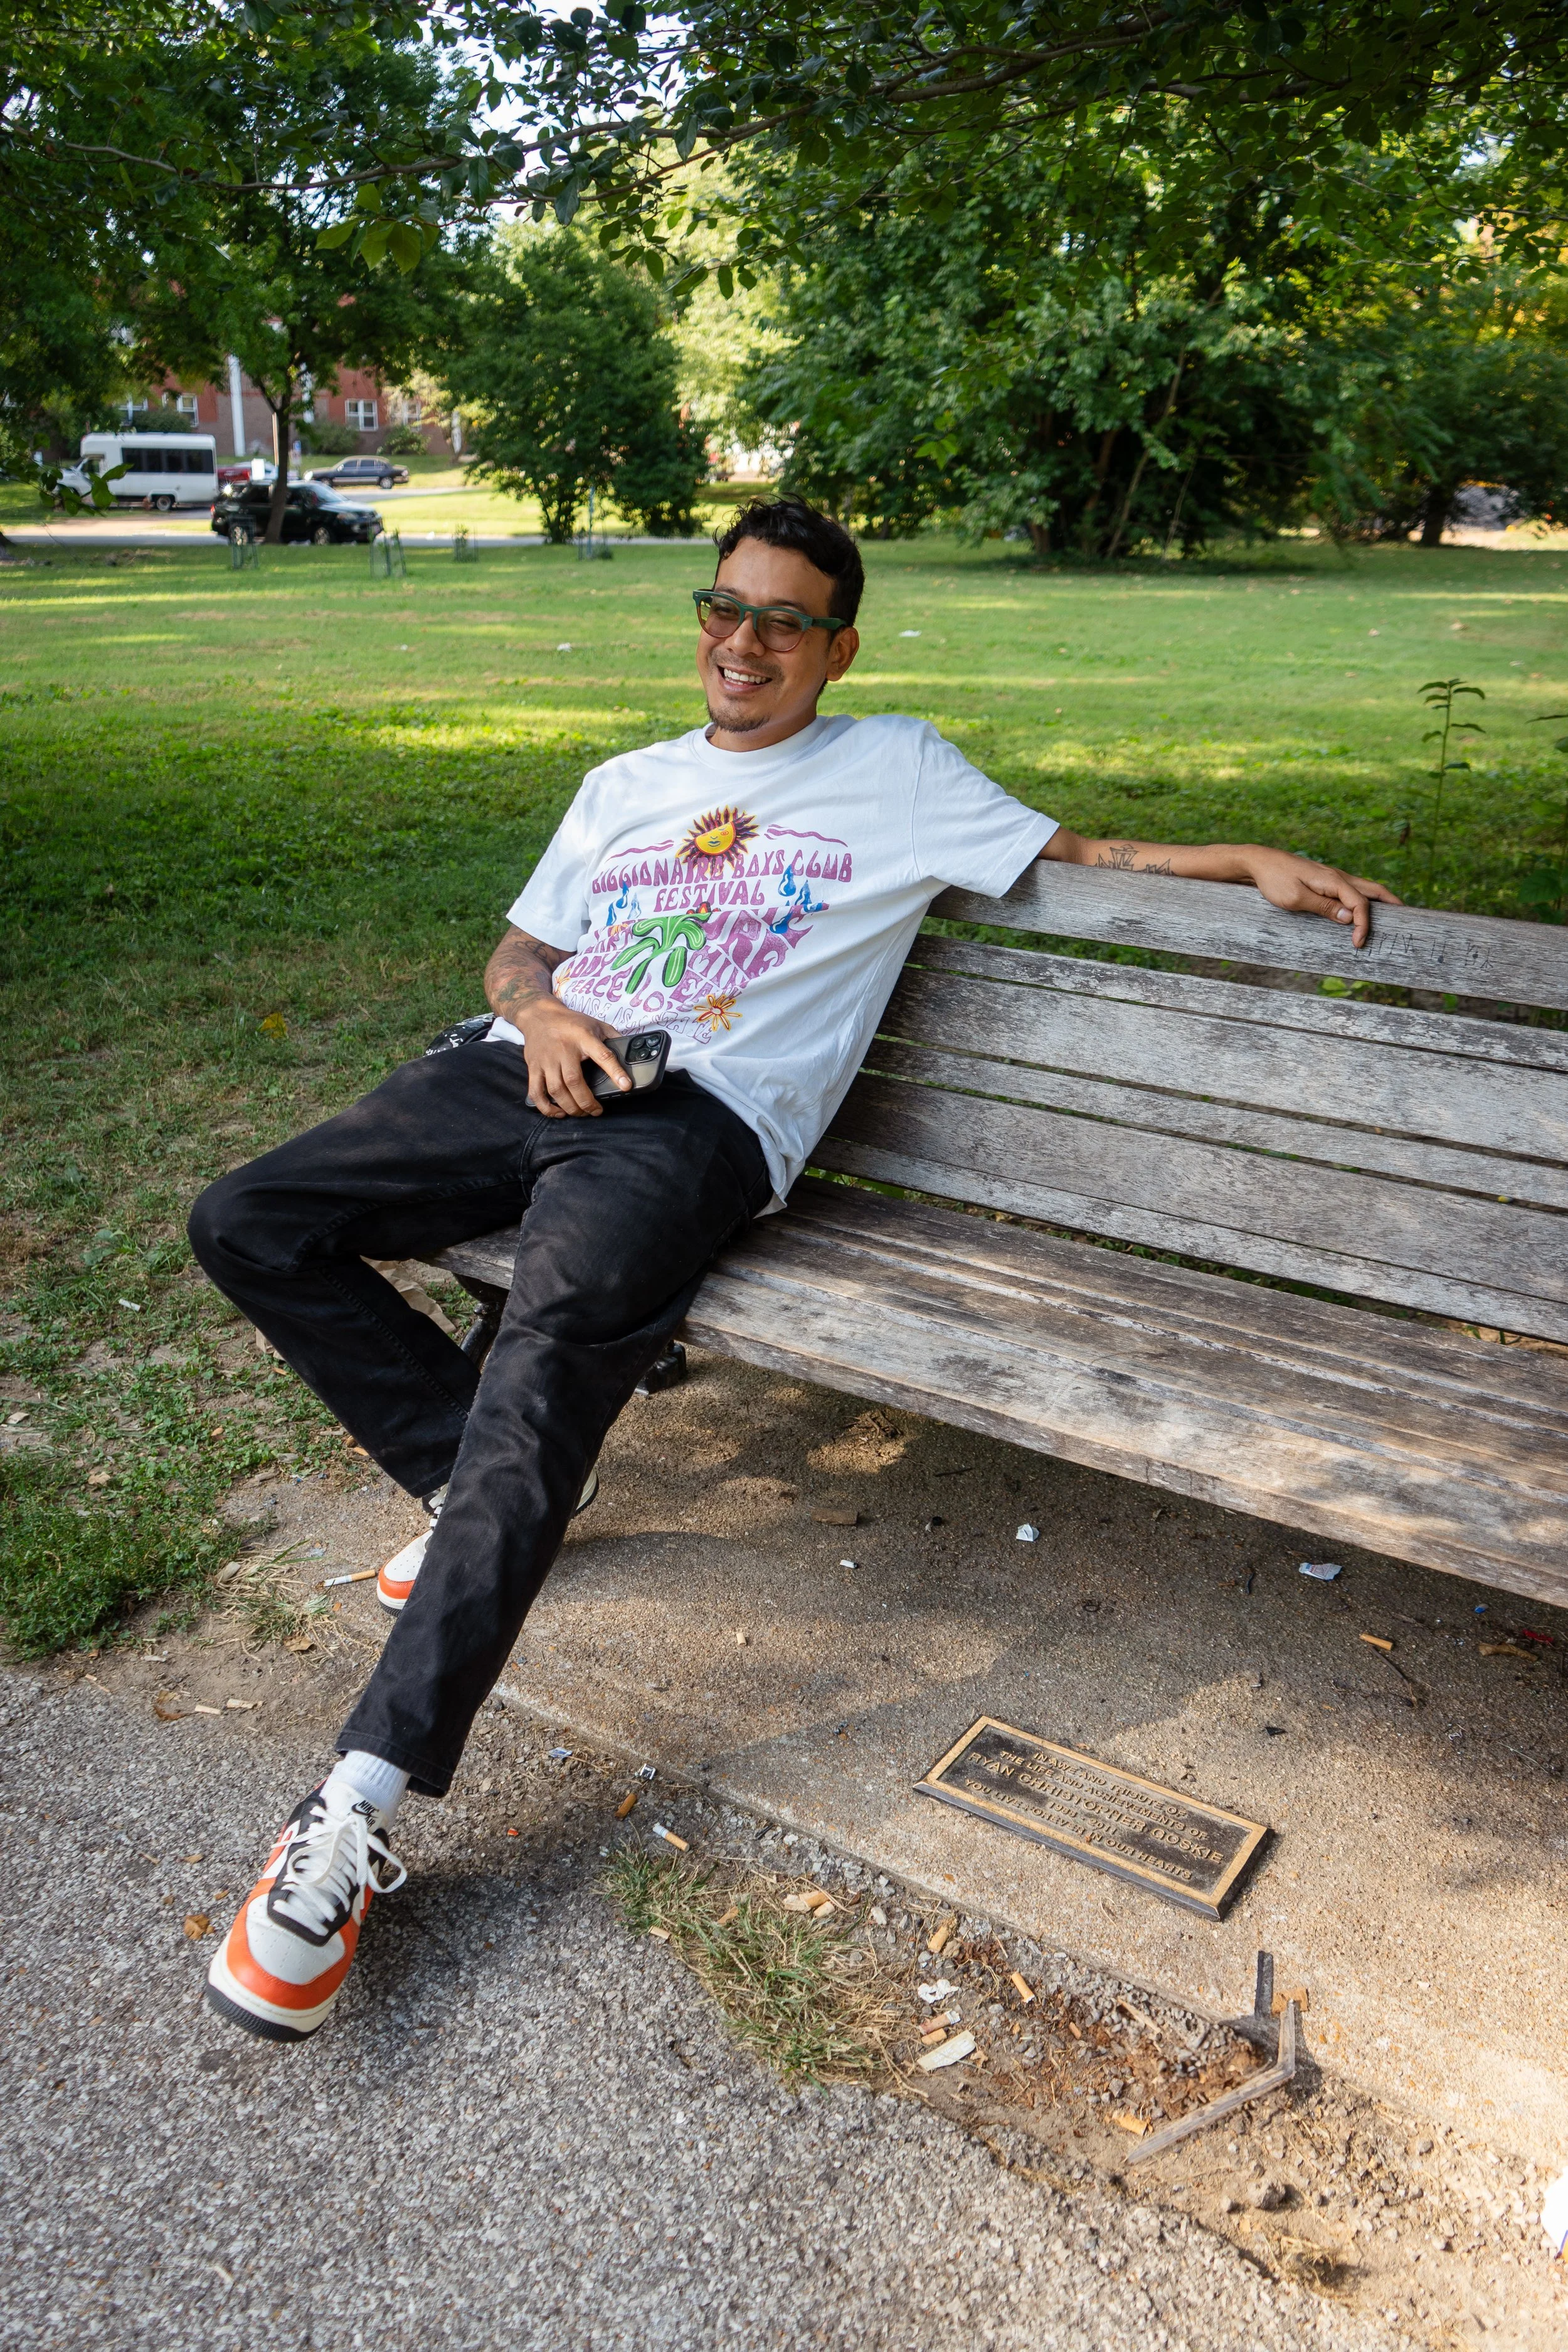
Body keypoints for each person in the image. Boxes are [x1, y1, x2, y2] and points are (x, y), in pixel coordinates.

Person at [188, 495, 1397, 2042]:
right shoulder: (625, 780)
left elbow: (1081, 852)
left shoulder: (893, 769)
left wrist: (1234, 858)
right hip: (525, 1069)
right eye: (722, 609)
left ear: (836, 644)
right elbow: (516, 952)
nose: (740, 642)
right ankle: (465, 1469)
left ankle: (349, 1809)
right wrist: (541, 1011)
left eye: (780, 621)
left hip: (688, 1127)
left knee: (548, 1364)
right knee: (246, 1218)